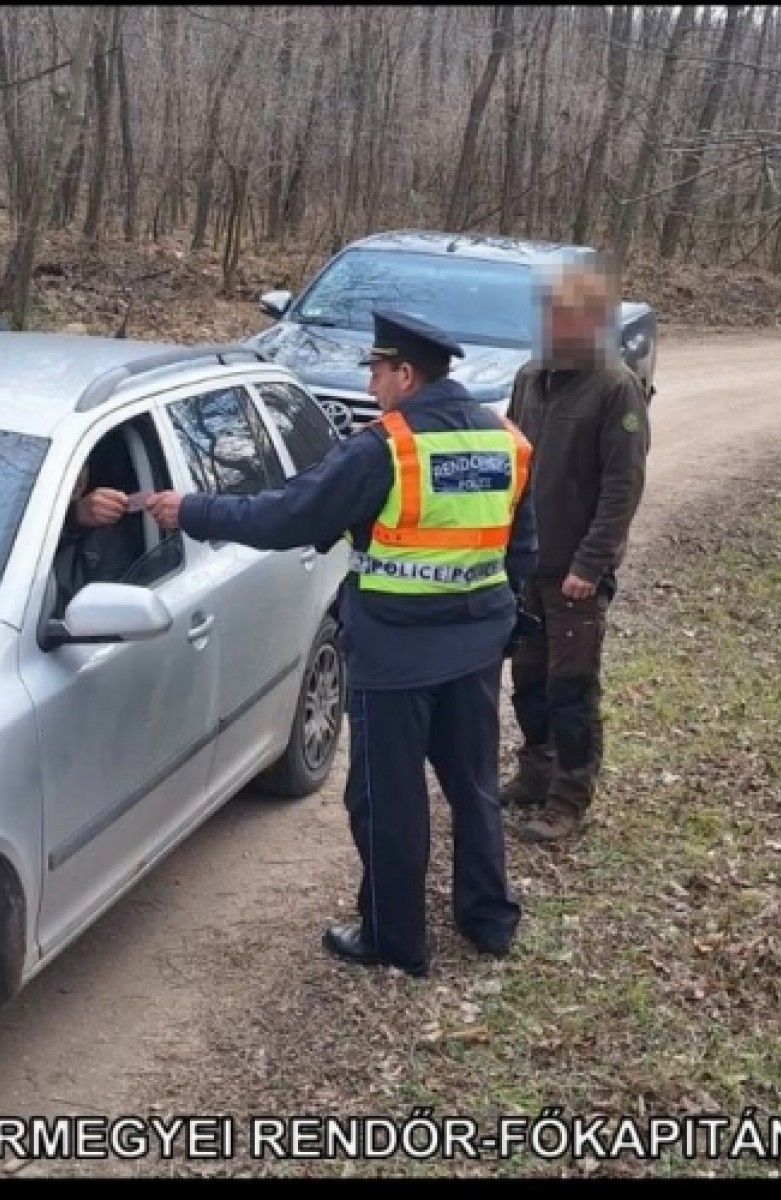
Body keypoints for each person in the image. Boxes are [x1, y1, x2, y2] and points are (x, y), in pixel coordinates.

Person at [146, 310, 537, 978]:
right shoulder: (507, 439)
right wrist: (506, 624)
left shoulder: (386, 446)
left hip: (394, 653)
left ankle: (394, 937)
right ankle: (488, 921)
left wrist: (191, 509)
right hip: (474, 648)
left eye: (377, 372)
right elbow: (520, 544)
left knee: (387, 798)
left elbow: (287, 515)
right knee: (472, 786)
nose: (373, 384)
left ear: (405, 374)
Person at [501, 262, 651, 845]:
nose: (556, 324)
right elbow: (512, 463)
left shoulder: (616, 388)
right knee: (529, 679)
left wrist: (592, 564)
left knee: (572, 687)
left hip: (575, 575)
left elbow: (623, 486)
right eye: (551, 313)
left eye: (569, 314)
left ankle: (570, 796)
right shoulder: (529, 377)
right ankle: (536, 772)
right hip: (527, 568)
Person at [52, 466, 143, 614]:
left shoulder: (108, 536)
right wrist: (70, 517)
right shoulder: (12, 521)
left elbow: (107, 610)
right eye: (64, 467)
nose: (78, 479)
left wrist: (74, 520)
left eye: (84, 466)